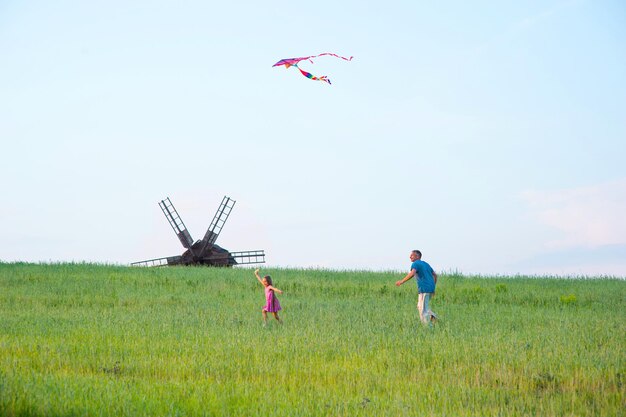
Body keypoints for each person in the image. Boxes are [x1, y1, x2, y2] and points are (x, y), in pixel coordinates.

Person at [395, 250, 439, 325]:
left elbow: (412, 273)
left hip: (424, 289)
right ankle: (434, 317)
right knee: (420, 306)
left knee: (422, 311)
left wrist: (402, 281)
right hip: (430, 288)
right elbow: (435, 275)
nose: (410, 257)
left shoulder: (415, 264)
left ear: (417, 256)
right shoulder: (426, 264)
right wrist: (433, 287)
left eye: (412, 255)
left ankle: (428, 328)